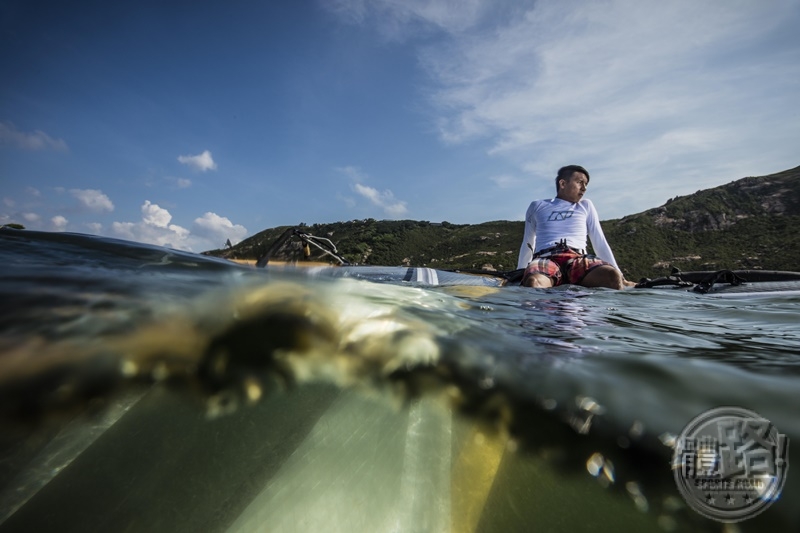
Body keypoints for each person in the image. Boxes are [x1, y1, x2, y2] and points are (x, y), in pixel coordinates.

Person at [517, 165, 633, 289]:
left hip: (578, 259)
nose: (584, 188)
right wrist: (519, 272)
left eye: (586, 184)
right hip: (546, 259)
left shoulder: (586, 206)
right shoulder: (537, 206)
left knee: (612, 276)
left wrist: (621, 276)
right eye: (580, 183)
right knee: (534, 282)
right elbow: (528, 242)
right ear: (562, 183)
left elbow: (600, 242)